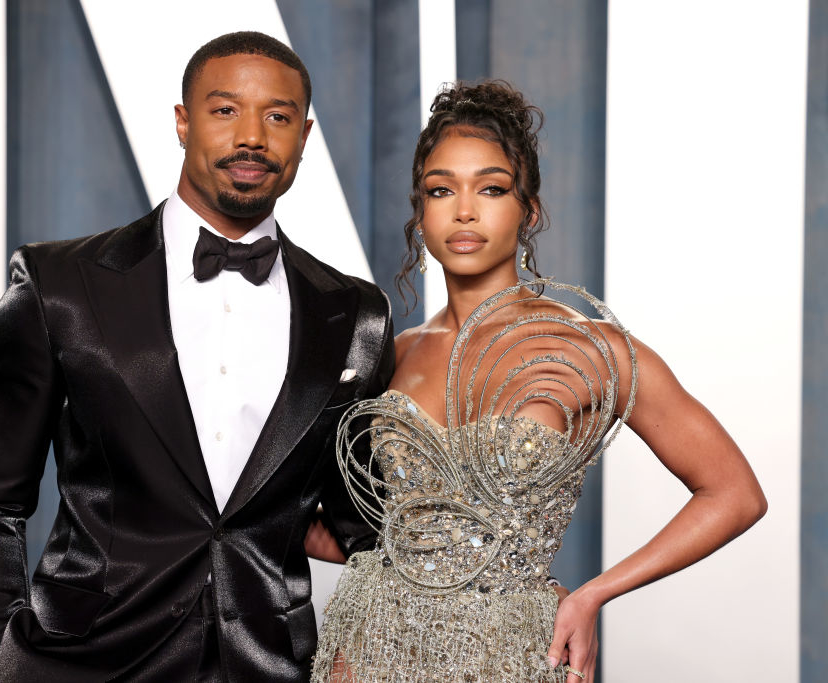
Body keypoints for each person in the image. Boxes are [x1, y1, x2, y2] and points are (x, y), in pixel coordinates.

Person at [0, 32, 393, 683]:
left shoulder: (357, 313)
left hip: (270, 665)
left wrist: (512, 592)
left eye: (278, 115)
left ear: (304, 134)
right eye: (224, 110)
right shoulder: (59, 284)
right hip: (81, 663)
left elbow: (367, 525)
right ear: (182, 122)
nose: (252, 137)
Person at [310, 80, 767, 683]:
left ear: (529, 206)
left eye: (491, 188)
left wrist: (592, 595)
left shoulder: (592, 349)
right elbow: (333, 521)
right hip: (369, 645)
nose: (464, 210)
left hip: (513, 652)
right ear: (420, 211)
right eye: (441, 190)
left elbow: (735, 494)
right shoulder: (393, 353)